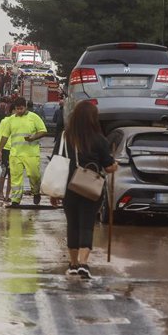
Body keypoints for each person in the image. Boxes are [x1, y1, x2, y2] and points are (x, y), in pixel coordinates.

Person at [50, 101, 118, 279]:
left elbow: (56, 161)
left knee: (72, 224)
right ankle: (83, 263)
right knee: (87, 225)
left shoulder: (65, 137)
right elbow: (109, 167)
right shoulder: (99, 139)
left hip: (68, 188)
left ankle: (73, 264)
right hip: (91, 188)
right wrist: (115, 165)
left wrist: (53, 192)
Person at [0, 97, 47, 208]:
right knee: (15, 177)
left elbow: (43, 131)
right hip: (15, 154)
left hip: (31, 153)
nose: (19, 111)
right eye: (17, 109)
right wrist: (0, 150)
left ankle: (36, 192)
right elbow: (5, 136)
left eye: (21, 108)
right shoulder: (11, 120)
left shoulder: (34, 117)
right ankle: (15, 199)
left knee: (34, 175)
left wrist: (33, 137)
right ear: (14, 108)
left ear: (25, 107)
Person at [0, 102, 16, 201]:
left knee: (11, 173)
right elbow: (0, 136)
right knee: (4, 171)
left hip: (15, 151)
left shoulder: (19, 121)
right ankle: (0, 193)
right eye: (15, 110)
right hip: (5, 150)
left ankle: (8, 195)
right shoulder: (5, 121)